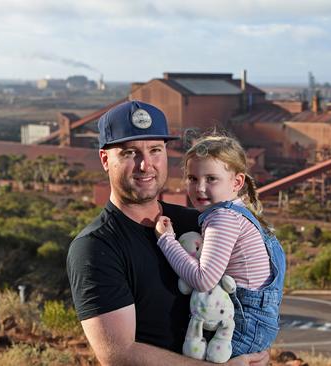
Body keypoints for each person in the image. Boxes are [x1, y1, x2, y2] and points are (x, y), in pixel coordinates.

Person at [66, 100, 269, 366]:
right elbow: (119, 355)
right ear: (105, 159)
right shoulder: (95, 248)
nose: (145, 165)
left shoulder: (197, 221)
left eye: (155, 150)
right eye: (129, 153)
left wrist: (258, 350)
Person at [155, 134, 286, 357]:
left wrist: (166, 240)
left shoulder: (222, 218)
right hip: (255, 320)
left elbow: (204, 279)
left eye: (211, 179)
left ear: (237, 182)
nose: (200, 188)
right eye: (193, 179)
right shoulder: (238, 212)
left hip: (242, 321)